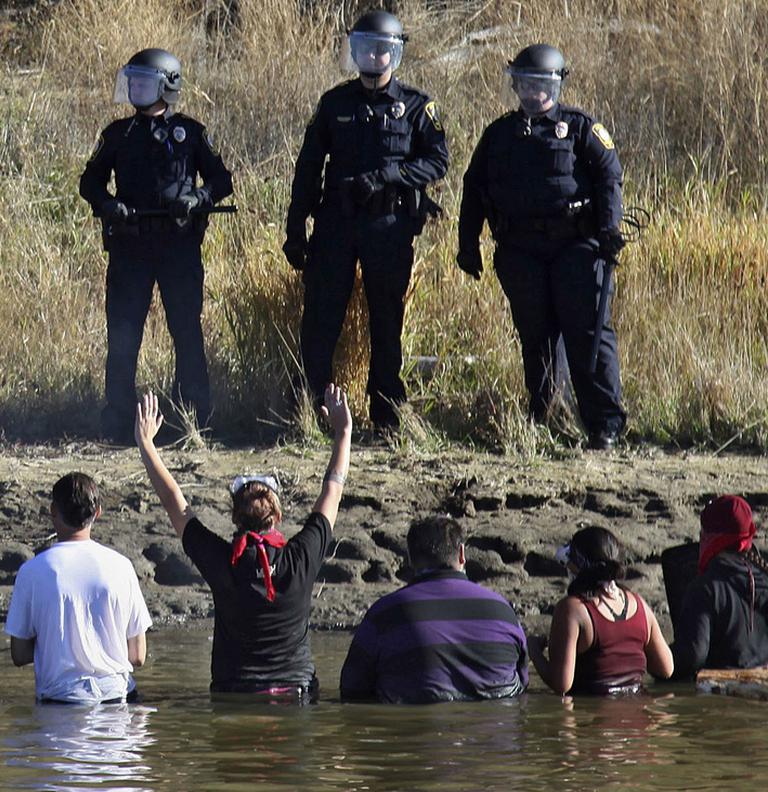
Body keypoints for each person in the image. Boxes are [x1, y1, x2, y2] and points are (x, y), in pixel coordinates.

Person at [284, 10, 448, 431]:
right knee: (320, 317)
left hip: (389, 225)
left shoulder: (416, 106)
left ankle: (387, 413)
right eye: (365, 49)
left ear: (396, 53)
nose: (374, 57)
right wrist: (295, 227)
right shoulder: (334, 103)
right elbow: (308, 167)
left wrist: (390, 176)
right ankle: (312, 407)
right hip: (335, 225)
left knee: (386, 319)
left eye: (382, 50)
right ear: (353, 51)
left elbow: (437, 161)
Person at [457, 43, 627, 449]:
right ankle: (542, 417)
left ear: (557, 86)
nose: (535, 94)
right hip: (520, 251)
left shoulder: (580, 128)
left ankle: (604, 425)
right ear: (515, 86)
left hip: (576, 248)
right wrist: (468, 245)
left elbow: (609, 177)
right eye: (526, 85)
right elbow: (473, 188)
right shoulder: (499, 134)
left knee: (588, 335)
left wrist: (609, 229)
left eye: (542, 85)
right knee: (535, 337)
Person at [135, 385, 351, 701]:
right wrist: (343, 432)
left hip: (233, 695)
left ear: (235, 518)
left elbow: (174, 502)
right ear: (276, 516)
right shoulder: (302, 556)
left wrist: (146, 445)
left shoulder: (223, 560)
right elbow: (332, 489)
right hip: (297, 696)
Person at [79, 48, 233, 443]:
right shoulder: (118, 134)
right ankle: (118, 422)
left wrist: (198, 199)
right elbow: (89, 182)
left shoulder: (192, 133)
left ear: (167, 86)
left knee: (186, 331)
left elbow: (222, 180)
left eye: (143, 82)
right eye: (132, 81)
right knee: (123, 335)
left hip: (178, 247)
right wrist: (109, 204)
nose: (135, 89)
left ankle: (194, 420)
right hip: (130, 248)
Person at [340, 516, 529, 703]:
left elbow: (352, 690)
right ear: (462, 554)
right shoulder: (503, 611)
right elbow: (522, 683)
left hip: (414, 727)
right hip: (496, 727)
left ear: (411, 559)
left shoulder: (385, 613)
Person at [5, 472, 152, 704]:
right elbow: (137, 656)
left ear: (53, 511)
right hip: (119, 700)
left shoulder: (31, 571)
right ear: (98, 513)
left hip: (60, 702)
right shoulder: (122, 566)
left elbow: (19, 655)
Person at [529, 527, 673, 695]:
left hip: (593, 715)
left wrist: (533, 650)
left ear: (577, 563)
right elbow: (666, 668)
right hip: (640, 711)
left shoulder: (573, 609)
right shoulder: (638, 604)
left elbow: (561, 684)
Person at [672, 495, 768, 677]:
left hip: (725, 694)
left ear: (710, 538)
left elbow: (692, 657)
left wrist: (657, 661)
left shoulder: (705, 588)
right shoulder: (764, 577)